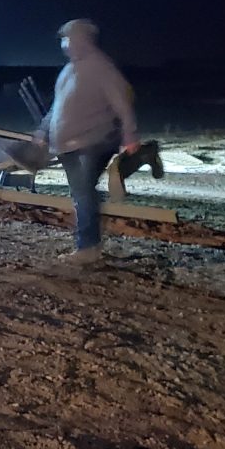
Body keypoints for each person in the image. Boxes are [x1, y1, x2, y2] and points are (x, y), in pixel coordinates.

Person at [36, 19, 139, 265]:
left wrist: (130, 136)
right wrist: (43, 130)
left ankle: (88, 248)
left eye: (68, 38)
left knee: (83, 194)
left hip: (93, 141)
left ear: (81, 40)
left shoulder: (101, 67)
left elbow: (123, 103)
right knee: (80, 193)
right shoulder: (69, 69)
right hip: (67, 145)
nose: (64, 44)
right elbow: (57, 107)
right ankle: (88, 244)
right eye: (63, 39)